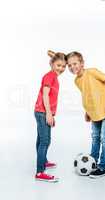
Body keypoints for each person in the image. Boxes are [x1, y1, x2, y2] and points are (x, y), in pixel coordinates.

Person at [67, 51, 105, 178]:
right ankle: (92, 162)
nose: (73, 67)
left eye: (75, 63)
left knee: (104, 139)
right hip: (94, 114)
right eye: (69, 65)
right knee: (95, 137)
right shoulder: (76, 81)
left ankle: (103, 167)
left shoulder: (92, 72)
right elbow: (87, 95)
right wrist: (87, 111)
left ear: (82, 63)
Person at [34, 50, 66, 182]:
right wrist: (48, 113)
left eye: (63, 66)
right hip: (42, 112)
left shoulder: (54, 76)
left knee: (41, 139)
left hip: (43, 112)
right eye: (58, 65)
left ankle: (44, 161)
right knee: (45, 141)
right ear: (52, 64)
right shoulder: (50, 76)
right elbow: (45, 95)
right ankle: (40, 172)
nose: (61, 68)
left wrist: (51, 114)